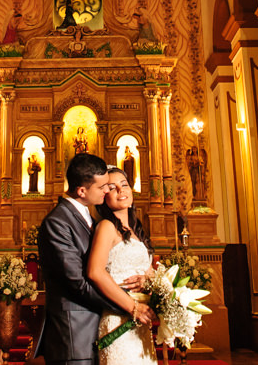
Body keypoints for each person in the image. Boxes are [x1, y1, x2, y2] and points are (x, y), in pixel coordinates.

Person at [33, 154, 150, 365]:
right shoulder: (57, 223)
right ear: (82, 191)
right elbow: (78, 283)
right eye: (103, 187)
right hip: (73, 334)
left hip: (99, 330)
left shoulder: (93, 219)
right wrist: (129, 304)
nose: (107, 190)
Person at [87, 167, 158, 365]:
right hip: (118, 318)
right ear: (104, 196)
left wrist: (147, 280)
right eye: (112, 188)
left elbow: (150, 272)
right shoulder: (106, 227)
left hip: (141, 322)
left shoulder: (137, 231)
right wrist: (133, 307)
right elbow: (95, 272)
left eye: (124, 185)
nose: (121, 190)